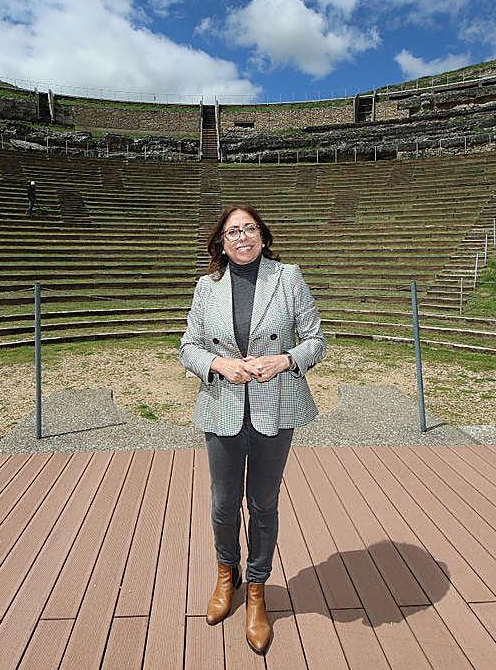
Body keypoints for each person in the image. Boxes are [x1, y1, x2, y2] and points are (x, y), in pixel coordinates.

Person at [179, 204, 326, 655]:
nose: (242, 237)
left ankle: (257, 590)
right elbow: (188, 346)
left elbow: (316, 339)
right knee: (224, 503)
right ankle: (228, 574)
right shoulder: (207, 287)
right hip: (223, 406)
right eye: (233, 232)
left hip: (274, 407)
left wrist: (285, 360)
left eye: (249, 229)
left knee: (263, 503)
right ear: (221, 243)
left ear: (262, 236)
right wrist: (218, 364)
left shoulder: (288, 278)